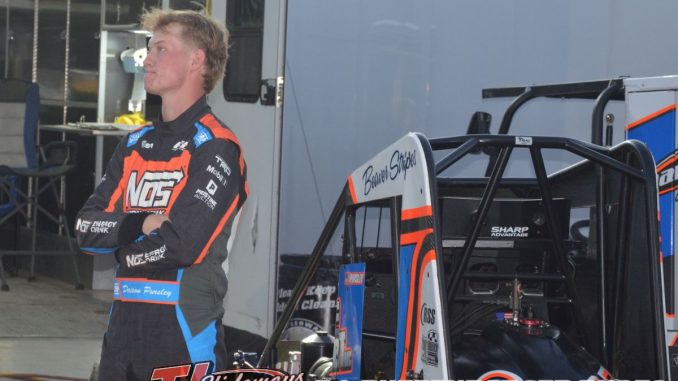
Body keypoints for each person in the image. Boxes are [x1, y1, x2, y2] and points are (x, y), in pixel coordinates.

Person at [75, 8, 247, 380]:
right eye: (149, 50)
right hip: (121, 330)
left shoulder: (217, 146)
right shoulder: (135, 143)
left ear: (196, 60)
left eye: (160, 49)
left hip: (183, 330)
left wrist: (123, 248)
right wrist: (144, 222)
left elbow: (182, 244)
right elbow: (86, 229)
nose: (147, 59)